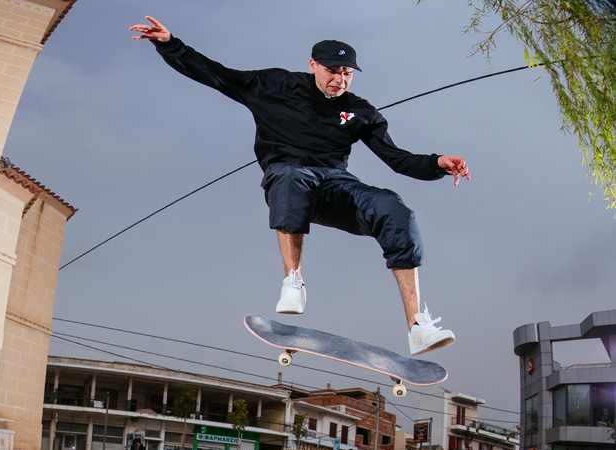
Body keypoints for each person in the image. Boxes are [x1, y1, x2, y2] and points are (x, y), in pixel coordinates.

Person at [129, 16, 470, 356]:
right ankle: (293, 281)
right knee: (293, 175)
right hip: (288, 180)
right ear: (313, 65)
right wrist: (169, 44)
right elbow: (216, 74)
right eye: (332, 71)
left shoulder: (360, 111)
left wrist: (436, 163)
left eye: (347, 74)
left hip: (336, 186)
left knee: (395, 209)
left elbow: (397, 159)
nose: (339, 81)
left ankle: (417, 325)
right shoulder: (274, 85)